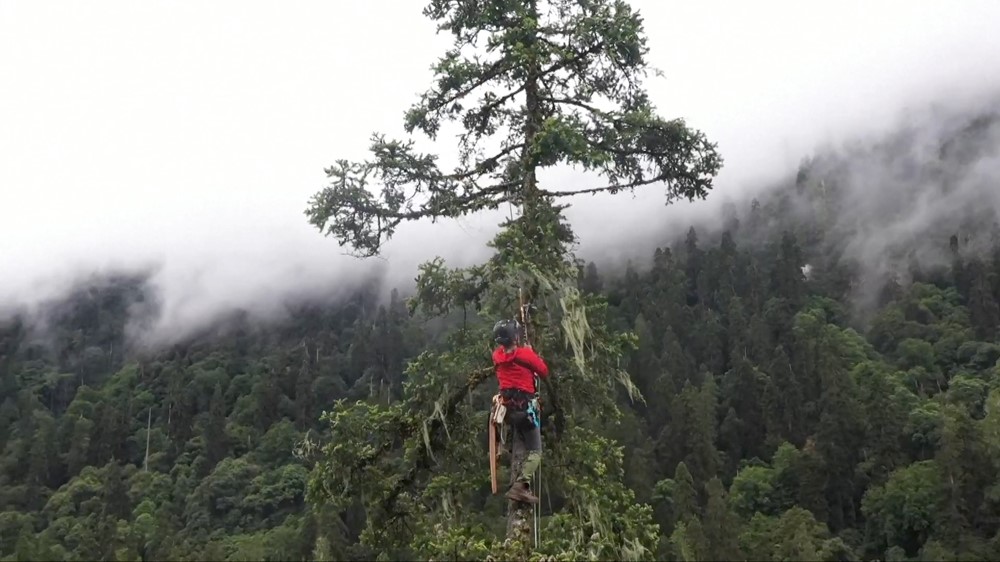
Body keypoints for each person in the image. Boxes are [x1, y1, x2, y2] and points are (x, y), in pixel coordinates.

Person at [491, 318, 549, 504]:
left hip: (508, 412)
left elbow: (509, 360)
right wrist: (531, 353)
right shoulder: (525, 355)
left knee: (522, 433)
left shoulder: (496, 356)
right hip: (526, 412)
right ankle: (521, 486)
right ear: (515, 337)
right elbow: (543, 370)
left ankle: (518, 483)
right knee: (536, 451)